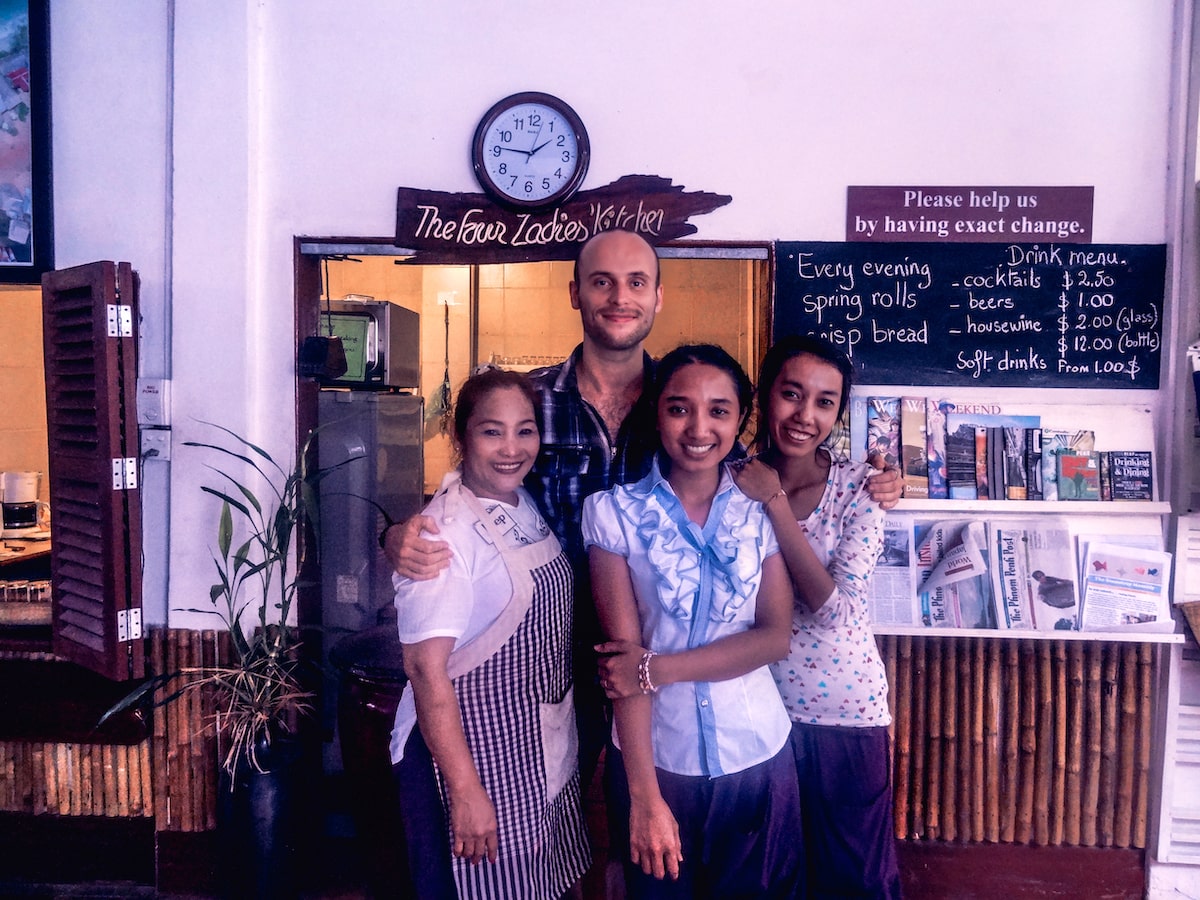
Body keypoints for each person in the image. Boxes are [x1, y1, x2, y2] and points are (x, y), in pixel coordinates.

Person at [383, 228, 905, 786]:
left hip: (663, 663)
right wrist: (395, 536)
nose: (619, 298)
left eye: (636, 282)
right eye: (601, 282)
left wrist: (873, 475)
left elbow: (763, 469)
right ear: (574, 293)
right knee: (557, 812)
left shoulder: (690, 396)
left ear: (658, 296)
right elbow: (466, 489)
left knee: (650, 804)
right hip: (549, 654)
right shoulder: (529, 401)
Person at [585, 343, 802, 898]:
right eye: (680, 408)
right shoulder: (614, 514)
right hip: (660, 760)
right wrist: (644, 797)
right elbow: (621, 667)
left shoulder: (760, 512)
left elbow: (775, 637)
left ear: (739, 419)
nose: (699, 427)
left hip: (756, 755)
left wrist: (660, 669)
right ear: (656, 412)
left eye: (719, 410)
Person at [389, 367, 591, 899]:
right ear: (461, 436)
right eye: (491, 430)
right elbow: (424, 670)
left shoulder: (523, 503)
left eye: (525, 430)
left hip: (529, 747)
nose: (511, 448)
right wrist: (466, 791)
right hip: (463, 759)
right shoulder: (442, 535)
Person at [731, 334, 902, 900]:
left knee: (856, 879)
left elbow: (837, 613)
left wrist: (774, 502)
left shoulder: (861, 489)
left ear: (838, 413)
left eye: (825, 402)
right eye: (791, 394)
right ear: (764, 396)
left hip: (843, 715)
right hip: (754, 712)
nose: (805, 415)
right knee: (770, 878)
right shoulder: (727, 480)